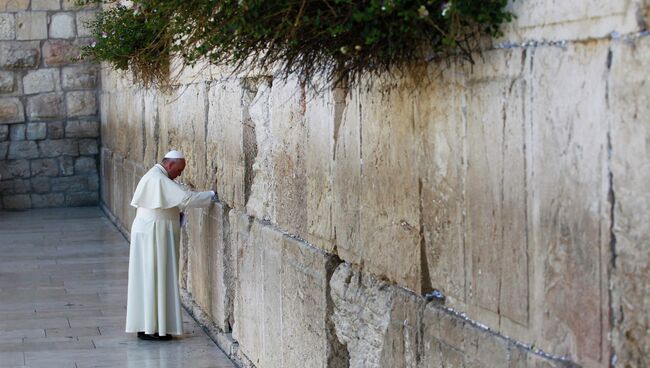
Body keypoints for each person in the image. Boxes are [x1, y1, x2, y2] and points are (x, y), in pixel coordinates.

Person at [125, 150, 218, 340]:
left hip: (150, 232)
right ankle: (152, 329)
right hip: (154, 235)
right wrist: (211, 194)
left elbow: (168, 204)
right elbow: (186, 199)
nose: (180, 174)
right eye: (179, 169)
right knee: (155, 278)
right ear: (170, 165)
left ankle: (147, 327)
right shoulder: (159, 179)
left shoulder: (155, 175)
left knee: (148, 279)